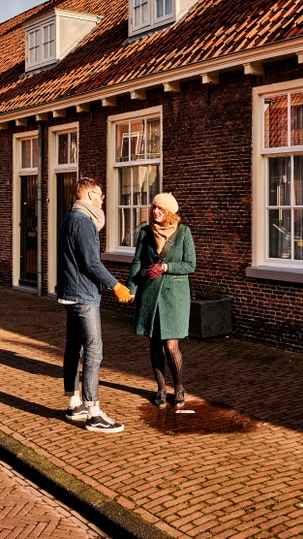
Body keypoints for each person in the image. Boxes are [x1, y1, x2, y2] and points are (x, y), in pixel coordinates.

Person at [57, 177, 132, 433]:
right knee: (93, 350)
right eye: (100, 194)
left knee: (73, 348)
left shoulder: (68, 219)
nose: (102, 199)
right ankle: (93, 413)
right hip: (83, 296)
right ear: (90, 194)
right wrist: (116, 285)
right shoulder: (84, 222)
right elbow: (91, 263)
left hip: (69, 293)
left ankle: (74, 403)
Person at [126, 192, 196, 408]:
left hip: (175, 297)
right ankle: (161, 389)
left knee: (171, 346)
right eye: (154, 208)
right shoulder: (145, 232)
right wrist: (131, 289)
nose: (155, 212)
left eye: (160, 209)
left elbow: (190, 264)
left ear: (170, 212)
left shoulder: (183, 233)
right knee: (155, 344)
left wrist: (165, 267)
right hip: (150, 294)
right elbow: (137, 262)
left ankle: (179, 387)